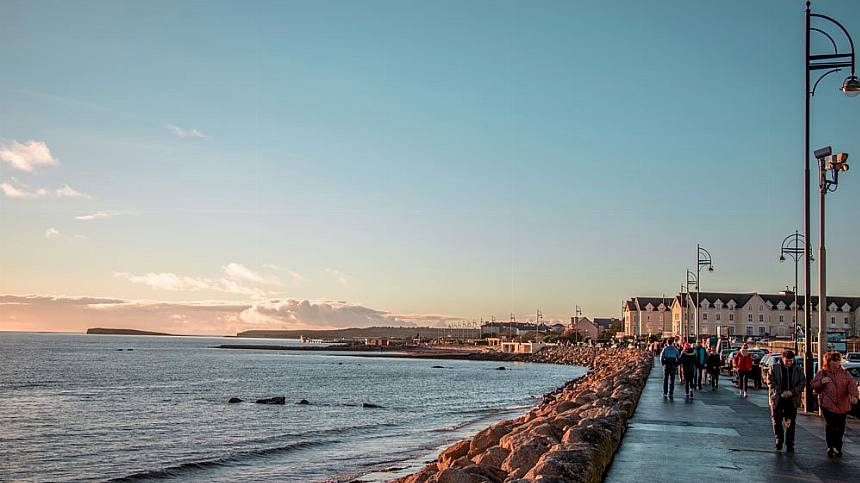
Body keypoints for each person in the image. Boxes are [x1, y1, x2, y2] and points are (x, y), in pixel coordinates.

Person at [812, 351, 860, 458]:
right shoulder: (822, 373)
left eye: (839, 360)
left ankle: (838, 447)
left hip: (842, 405)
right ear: (829, 362)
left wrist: (853, 396)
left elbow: (852, 384)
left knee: (840, 426)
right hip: (828, 404)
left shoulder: (844, 374)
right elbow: (813, 385)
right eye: (835, 360)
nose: (837, 362)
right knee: (831, 425)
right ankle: (831, 446)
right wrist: (822, 382)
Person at [768, 350, 805, 453]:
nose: (789, 363)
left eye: (791, 361)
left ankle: (790, 444)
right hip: (778, 399)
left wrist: (792, 392)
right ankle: (779, 439)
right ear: (782, 359)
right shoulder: (774, 368)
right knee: (777, 420)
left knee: (790, 422)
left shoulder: (798, 369)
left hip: (792, 399)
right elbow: (770, 382)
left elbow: (802, 383)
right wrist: (781, 392)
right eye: (787, 361)